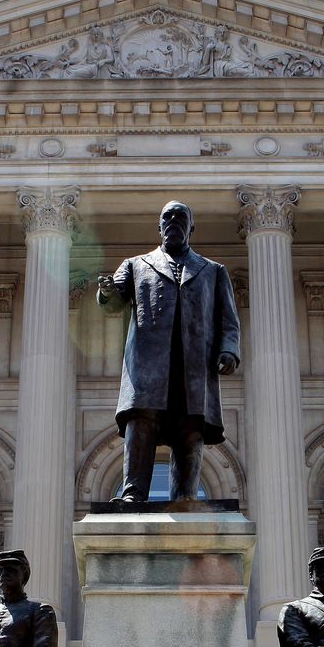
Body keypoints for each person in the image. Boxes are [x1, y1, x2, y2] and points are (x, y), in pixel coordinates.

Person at [96, 200, 241, 501]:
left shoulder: (213, 271)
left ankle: (185, 497)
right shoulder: (136, 265)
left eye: (180, 217)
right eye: (167, 217)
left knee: (190, 426)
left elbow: (228, 319)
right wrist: (107, 291)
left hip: (193, 363)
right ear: (159, 226)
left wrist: (229, 350)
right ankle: (133, 492)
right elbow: (113, 303)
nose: (173, 221)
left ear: (191, 227)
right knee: (142, 421)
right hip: (150, 363)